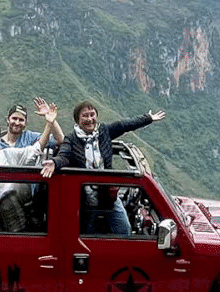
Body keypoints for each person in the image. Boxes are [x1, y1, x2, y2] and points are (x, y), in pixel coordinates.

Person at [41, 101, 166, 235]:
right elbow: (64, 155)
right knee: (86, 234)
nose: (90, 119)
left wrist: (148, 118)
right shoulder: (71, 139)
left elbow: (125, 125)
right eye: (85, 116)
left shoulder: (104, 132)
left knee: (124, 230)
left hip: (107, 195)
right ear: (77, 120)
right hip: (85, 199)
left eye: (92, 115)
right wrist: (54, 162)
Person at [0, 103, 59, 231]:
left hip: (6, 209)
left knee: (8, 200)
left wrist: (49, 124)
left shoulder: (7, 154)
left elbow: (35, 149)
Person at [0, 98, 65, 150]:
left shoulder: (31, 137)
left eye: (21, 120)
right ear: (8, 120)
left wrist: (50, 117)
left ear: (26, 123)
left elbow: (60, 140)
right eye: (14, 118)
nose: (17, 123)